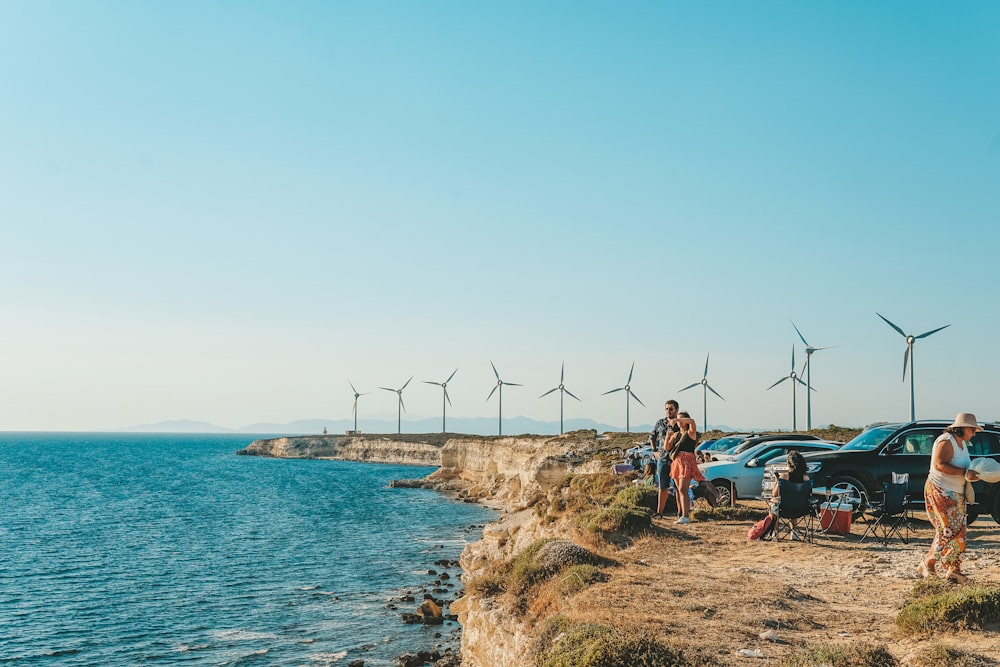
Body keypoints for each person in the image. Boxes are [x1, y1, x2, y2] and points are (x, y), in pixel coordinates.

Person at [921, 413, 982, 583]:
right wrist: (964, 473)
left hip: (956, 493)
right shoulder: (946, 440)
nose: (974, 433)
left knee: (959, 533)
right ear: (962, 428)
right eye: (972, 429)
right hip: (941, 492)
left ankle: (953, 569)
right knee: (946, 531)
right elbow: (939, 464)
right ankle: (928, 563)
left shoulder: (961, 443)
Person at [669, 411, 709, 524]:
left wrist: (677, 420)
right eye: (678, 419)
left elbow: (692, 422)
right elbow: (668, 448)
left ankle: (685, 515)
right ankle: (682, 514)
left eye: (681, 419)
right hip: (677, 462)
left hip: (686, 462)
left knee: (683, 489)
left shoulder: (691, 432)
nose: (679, 421)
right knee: (679, 490)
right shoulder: (677, 434)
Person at [770, 450, 811, 540]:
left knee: (773, 504)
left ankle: (775, 532)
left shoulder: (784, 476)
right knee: (795, 500)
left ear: (789, 464)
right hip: (801, 509)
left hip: (784, 509)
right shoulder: (806, 478)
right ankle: (794, 532)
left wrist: (777, 481)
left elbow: (774, 494)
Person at [649, 400, 680, 517]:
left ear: (676, 410)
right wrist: (654, 451)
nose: (668, 411)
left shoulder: (680, 423)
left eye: (671, 409)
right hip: (662, 458)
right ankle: (659, 512)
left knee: (679, 488)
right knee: (663, 486)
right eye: (666, 409)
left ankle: (680, 512)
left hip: (676, 458)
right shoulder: (660, 423)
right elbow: (652, 437)